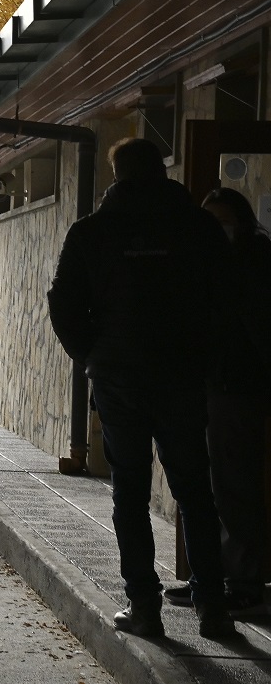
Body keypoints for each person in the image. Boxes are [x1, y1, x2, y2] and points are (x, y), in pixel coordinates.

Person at [47, 137, 235, 639]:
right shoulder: (199, 227)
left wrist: (94, 355)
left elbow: (62, 303)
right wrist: (206, 357)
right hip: (181, 377)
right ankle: (213, 608)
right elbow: (228, 301)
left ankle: (144, 606)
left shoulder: (93, 232)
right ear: (161, 169)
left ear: (117, 175)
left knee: (129, 488)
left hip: (119, 378)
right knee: (195, 490)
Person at [163, 187, 271, 616]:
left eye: (221, 220)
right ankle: (208, 577)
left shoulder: (253, 264)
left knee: (234, 486)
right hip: (207, 385)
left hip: (236, 388)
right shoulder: (207, 263)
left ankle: (243, 581)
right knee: (204, 487)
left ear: (241, 222)